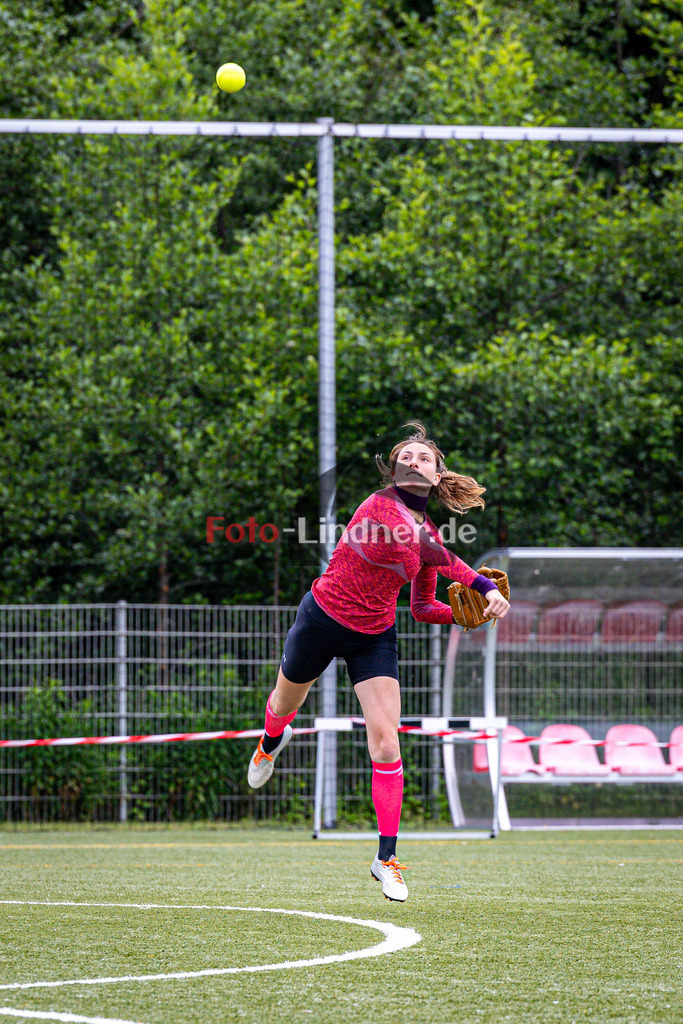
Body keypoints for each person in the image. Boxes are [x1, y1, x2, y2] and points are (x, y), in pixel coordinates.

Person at [247, 422, 509, 901]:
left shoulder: (428, 531)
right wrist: (484, 588)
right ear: (394, 469)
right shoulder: (380, 505)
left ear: (436, 475)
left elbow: (422, 607)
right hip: (322, 618)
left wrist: (461, 618)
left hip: (373, 636)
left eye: (424, 457)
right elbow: (433, 552)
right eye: (405, 456)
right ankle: (269, 742)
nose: (414, 461)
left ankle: (385, 858)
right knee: (283, 707)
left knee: (387, 744)